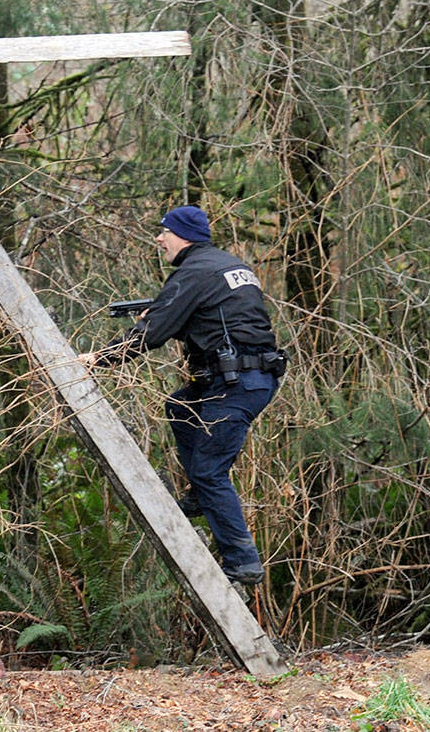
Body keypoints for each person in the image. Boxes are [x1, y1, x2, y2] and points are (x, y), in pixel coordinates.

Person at [78, 205, 285, 585]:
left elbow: (151, 334)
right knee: (180, 405)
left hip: (237, 384)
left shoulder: (194, 273)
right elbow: (217, 320)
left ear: (184, 234)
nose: (159, 238)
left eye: (165, 232)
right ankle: (199, 496)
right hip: (247, 378)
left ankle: (243, 562)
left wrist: (98, 357)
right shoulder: (225, 265)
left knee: (210, 470)